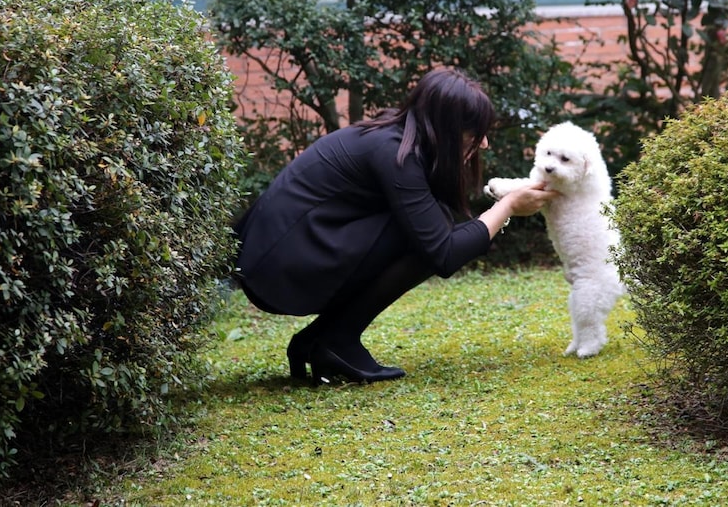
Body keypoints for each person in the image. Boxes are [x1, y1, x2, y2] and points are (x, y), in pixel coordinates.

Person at [233, 67, 557, 385]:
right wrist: (507, 206)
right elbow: (444, 254)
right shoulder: (395, 153)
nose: (483, 143)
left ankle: (320, 340)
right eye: (474, 133)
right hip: (280, 268)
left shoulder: (398, 139)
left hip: (286, 253)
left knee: (433, 223)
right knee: (428, 238)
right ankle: (336, 341)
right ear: (447, 129)